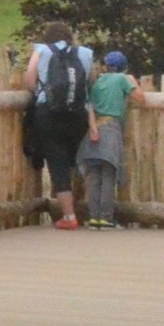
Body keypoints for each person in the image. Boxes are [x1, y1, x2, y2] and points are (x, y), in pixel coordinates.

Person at [25, 30, 93, 226]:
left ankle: (69, 216)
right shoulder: (85, 53)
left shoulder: (42, 50)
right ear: (70, 37)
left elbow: (30, 79)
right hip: (78, 113)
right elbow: (89, 82)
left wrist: (39, 93)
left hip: (49, 113)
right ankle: (95, 209)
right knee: (79, 159)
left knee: (58, 162)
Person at [80, 50, 135, 227]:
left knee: (94, 174)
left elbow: (90, 106)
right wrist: (133, 83)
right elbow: (140, 97)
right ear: (123, 68)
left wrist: (93, 127)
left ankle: (94, 216)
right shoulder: (121, 79)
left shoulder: (97, 82)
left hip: (95, 128)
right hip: (111, 128)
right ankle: (106, 217)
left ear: (105, 66)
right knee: (109, 173)